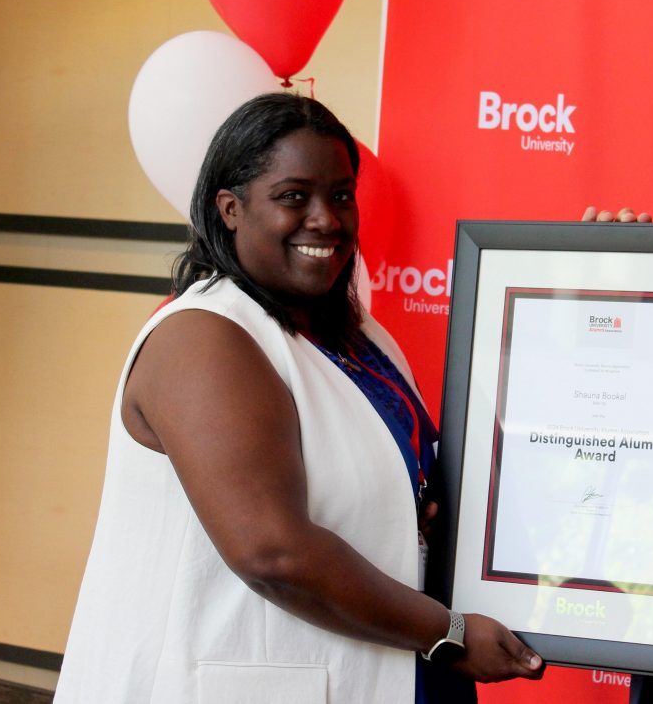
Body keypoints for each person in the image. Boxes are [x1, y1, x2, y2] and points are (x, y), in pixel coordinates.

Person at [55, 93, 544, 703]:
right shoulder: (204, 337)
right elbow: (272, 552)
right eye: (293, 196)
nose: (326, 218)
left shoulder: (360, 335)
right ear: (230, 209)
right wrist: (448, 634)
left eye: (341, 195)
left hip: (395, 668)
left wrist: (604, 288)